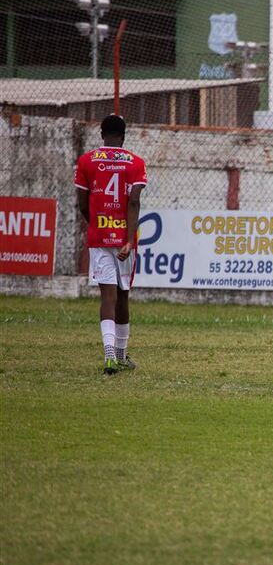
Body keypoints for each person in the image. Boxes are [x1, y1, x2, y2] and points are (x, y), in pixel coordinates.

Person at [74, 114, 147, 375]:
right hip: (124, 239)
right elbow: (134, 202)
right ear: (124, 135)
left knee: (107, 295)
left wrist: (96, 225)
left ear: (102, 134)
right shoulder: (136, 163)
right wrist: (128, 239)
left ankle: (108, 355)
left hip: (99, 235)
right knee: (123, 294)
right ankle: (121, 354)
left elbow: (82, 203)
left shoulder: (86, 161)